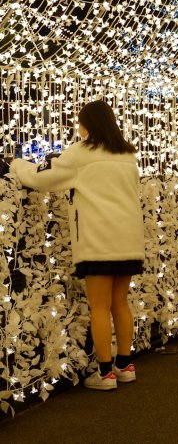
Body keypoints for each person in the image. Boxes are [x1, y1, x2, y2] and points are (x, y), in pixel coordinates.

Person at [11, 100, 144, 390]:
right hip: (129, 239)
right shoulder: (126, 154)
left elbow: (42, 178)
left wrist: (16, 164)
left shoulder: (81, 153)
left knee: (99, 305)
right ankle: (125, 365)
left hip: (99, 239)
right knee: (121, 304)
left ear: (88, 124)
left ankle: (106, 373)